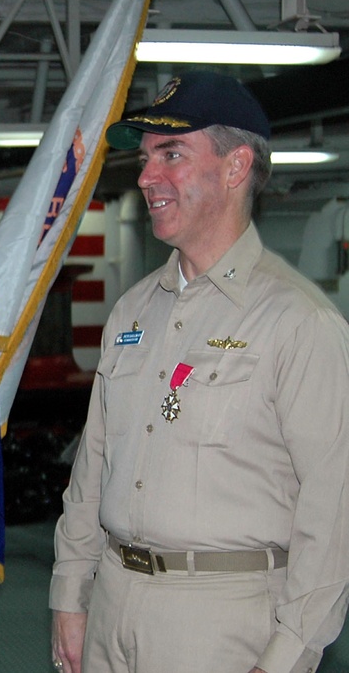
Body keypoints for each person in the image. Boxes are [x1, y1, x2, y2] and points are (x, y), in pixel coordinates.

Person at [49, 71, 349, 673]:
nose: (146, 176)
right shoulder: (132, 311)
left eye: (173, 155)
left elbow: (333, 514)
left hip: (222, 624)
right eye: (145, 158)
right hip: (113, 602)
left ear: (237, 167)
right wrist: (69, 599)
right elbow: (91, 472)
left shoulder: (300, 322)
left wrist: (287, 657)